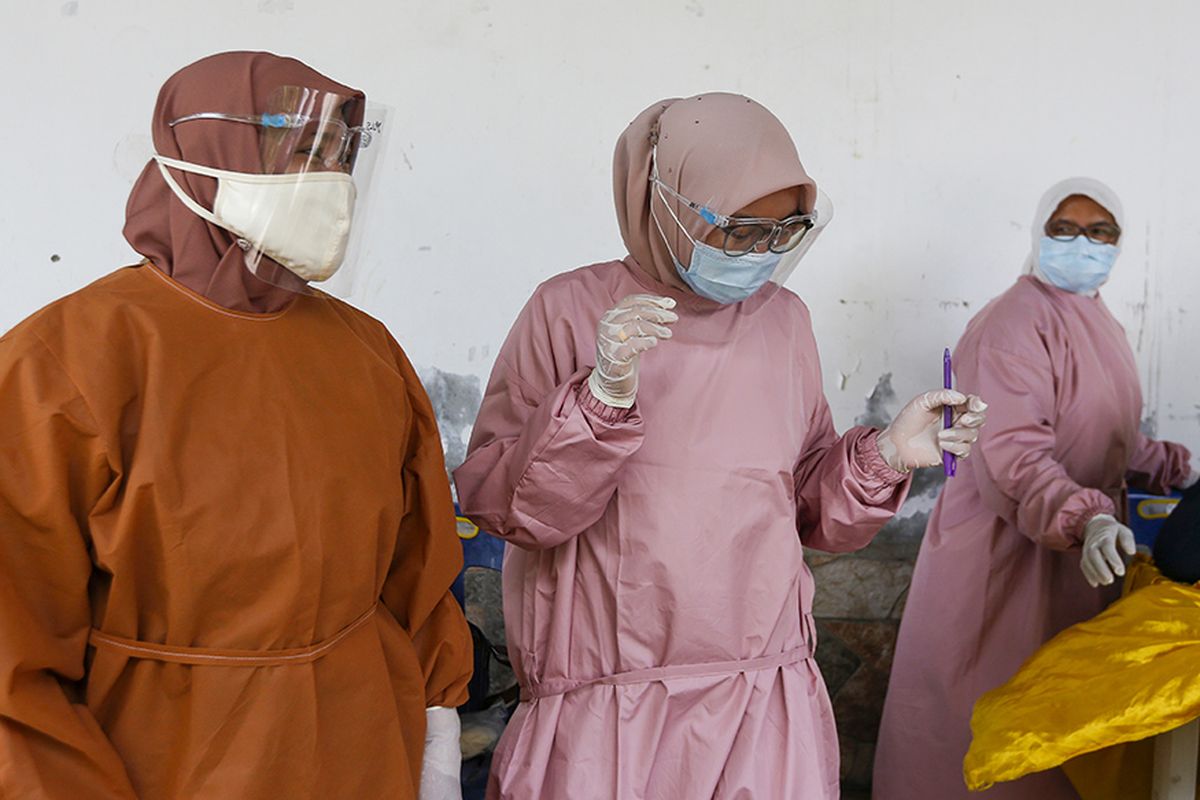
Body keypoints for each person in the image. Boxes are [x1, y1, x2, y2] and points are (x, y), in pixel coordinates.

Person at [454, 92, 987, 799]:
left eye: (785, 231)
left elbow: (809, 510)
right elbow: (508, 509)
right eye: (740, 231)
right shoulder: (570, 312)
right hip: (611, 706)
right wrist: (598, 399)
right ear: (665, 202)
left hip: (763, 699)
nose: (762, 255)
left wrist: (885, 455)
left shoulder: (783, 322)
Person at [0, 52, 471, 799]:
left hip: (360, 745)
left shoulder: (365, 351)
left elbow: (419, 572)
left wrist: (437, 726)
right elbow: (13, 657)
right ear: (202, 154)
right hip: (171, 759)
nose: (326, 181)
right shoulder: (63, 366)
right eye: (298, 149)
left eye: (337, 155)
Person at [874, 178, 1199, 799]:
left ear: (1119, 243)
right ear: (1038, 234)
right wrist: (1085, 516)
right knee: (981, 717)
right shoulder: (1012, 324)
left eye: (1100, 232)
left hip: (1072, 547)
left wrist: (1172, 468)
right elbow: (1012, 452)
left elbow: (1107, 435)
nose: (1083, 244)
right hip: (1004, 552)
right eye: (1066, 228)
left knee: (1047, 729)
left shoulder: (1098, 320)